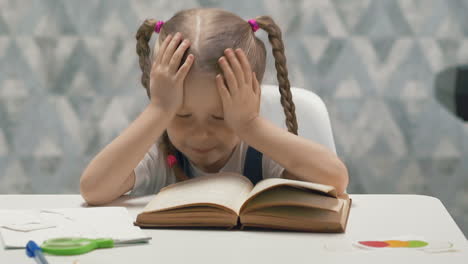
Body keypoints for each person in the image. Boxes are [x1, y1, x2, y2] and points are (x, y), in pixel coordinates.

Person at [80, 8, 349, 206]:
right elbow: (93, 189)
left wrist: (250, 125)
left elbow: (335, 179)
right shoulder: (161, 153)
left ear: (250, 100)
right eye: (182, 114)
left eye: (220, 117)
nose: (201, 135)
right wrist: (158, 109)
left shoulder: (261, 149)